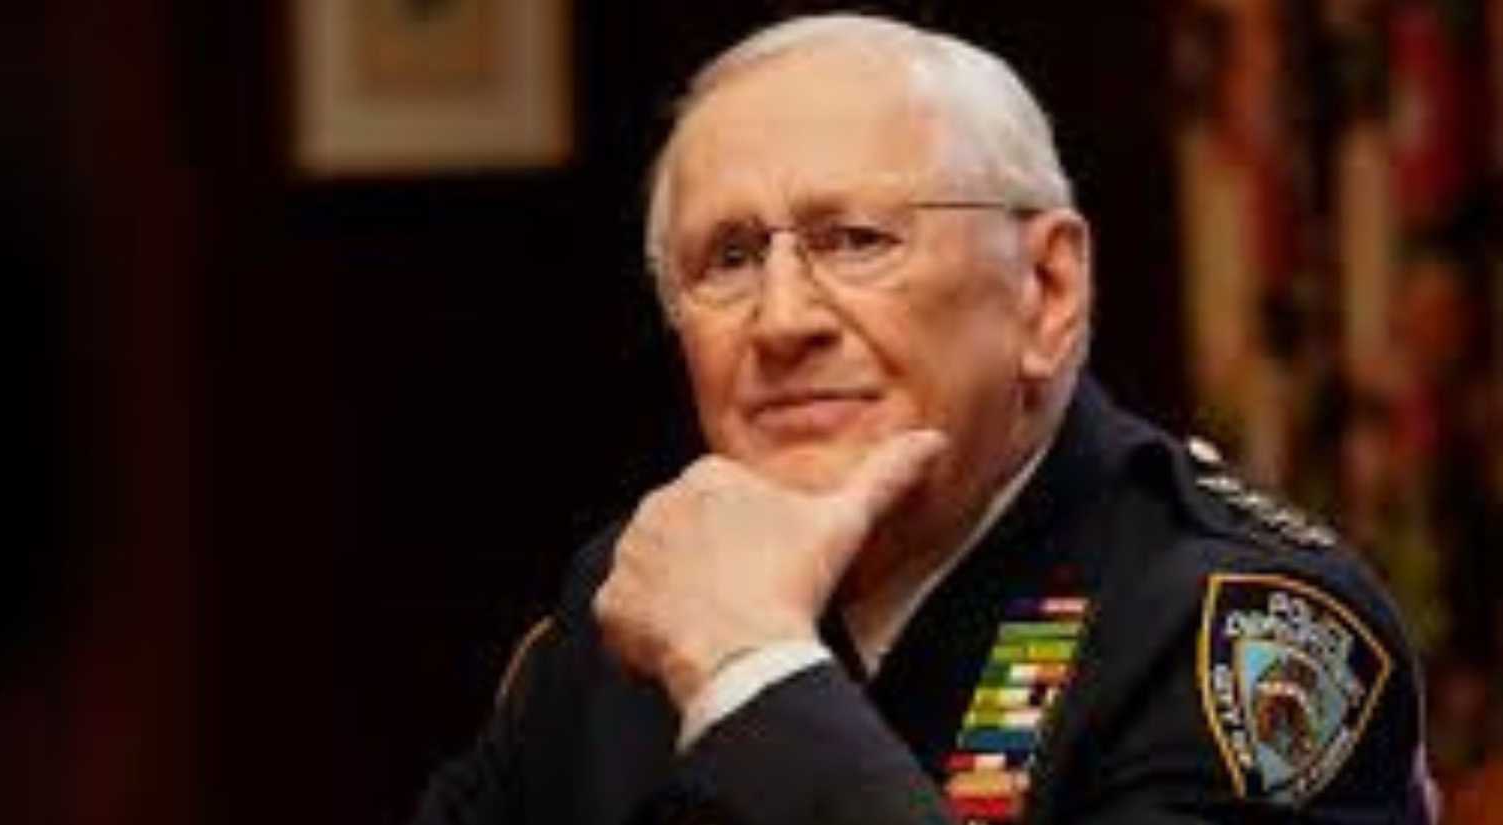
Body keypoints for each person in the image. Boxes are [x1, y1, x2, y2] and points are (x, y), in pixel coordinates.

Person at [410, 13, 1429, 825]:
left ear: (1046, 288)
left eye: (854, 240)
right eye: (726, 259)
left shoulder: (1240, 631)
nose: (782, 320)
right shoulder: (640, 593)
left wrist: (752, 673)